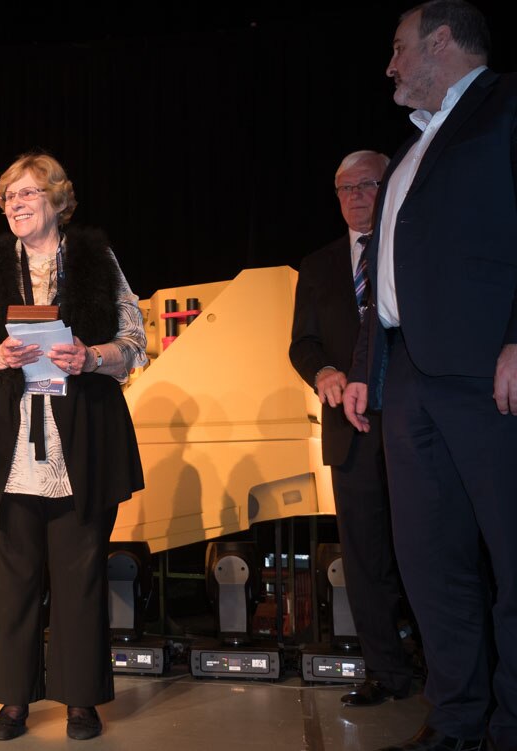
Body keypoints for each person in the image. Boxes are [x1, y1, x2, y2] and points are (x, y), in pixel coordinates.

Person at [342, 3, 517, 749]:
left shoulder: (507, 107)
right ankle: (455, 721)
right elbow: (384, 275)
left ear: (440, 42)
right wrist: (364, 369)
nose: (390, 64)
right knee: (429, 560)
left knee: (511, 555)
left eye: (398, 47)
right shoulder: (412, 148)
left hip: (487, 369)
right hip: (405, 374)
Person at [0, 152, 146, 741]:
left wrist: (91, 357)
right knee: (10, 571)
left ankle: (81, 699)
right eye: (8, 196)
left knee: (81, 568)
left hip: (81, 430)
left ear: (58, 200)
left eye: (28, 193)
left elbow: (133, 338)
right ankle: (12, 701)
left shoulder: (94, 257)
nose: (15, 204)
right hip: (4, 434)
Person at [289, 150, 416, 707]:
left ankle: (450, 668)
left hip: (416, 421)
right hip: (350, 429)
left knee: (428, 550)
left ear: (390, 187)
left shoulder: (413, 247)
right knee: (364, 557)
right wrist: (325, 372)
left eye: (367, 185)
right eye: (345, 188)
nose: (356, 196)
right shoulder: (316, 266)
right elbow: (302, 343)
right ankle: (387, 673)